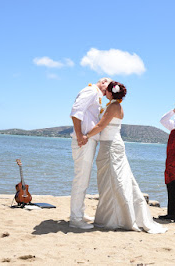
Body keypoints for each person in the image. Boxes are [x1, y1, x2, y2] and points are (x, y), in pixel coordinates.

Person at [85, 81, 167, 234]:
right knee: (113, 180)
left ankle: (116, 218)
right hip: (109, 145)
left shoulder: (114, 107)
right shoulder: (115, 106)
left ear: (111, 92)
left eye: (107, 90)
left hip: (110, 147)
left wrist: (86, 136)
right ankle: (112, 216)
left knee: (114, 180)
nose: (105, 93)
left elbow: (101, 126)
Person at [69, 77, 112, 229]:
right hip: (84, 140)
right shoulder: (90, 91)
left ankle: (79, 213)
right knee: (81, 179)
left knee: (84, 179)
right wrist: (80, 134)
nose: (110, 90)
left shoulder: (96, 94)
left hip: (89, 140)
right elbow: (76, 112)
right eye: (109, 86)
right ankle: (75, 219)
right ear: (103, 81)